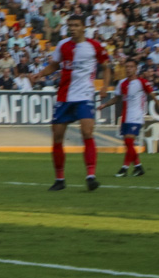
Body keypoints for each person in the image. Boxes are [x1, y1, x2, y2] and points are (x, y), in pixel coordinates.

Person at [30, 15, 111, 192]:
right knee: (57, 137)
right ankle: (60, 179)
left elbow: (106, 66)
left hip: (84, 95)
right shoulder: (63, 45)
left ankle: (91, 176)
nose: (72, 28)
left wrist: (105, 86)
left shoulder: (94, 46)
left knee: (87, 132)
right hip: (64, 96)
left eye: (76, 25)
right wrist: (40, 74)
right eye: (70, 25)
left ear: (83, 27)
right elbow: (54, 65)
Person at [98, 60, 159, 177]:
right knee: (128, 143)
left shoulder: (142, 82)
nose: (129, 69)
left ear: (136, 69)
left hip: (136, 116)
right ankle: (138, 167)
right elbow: (117, 98)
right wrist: (105, 105)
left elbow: (154, 97)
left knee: (129, 141)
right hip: (125, 117)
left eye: (131, 67)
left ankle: (124, 169)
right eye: (127, 67)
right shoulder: (122, 83)